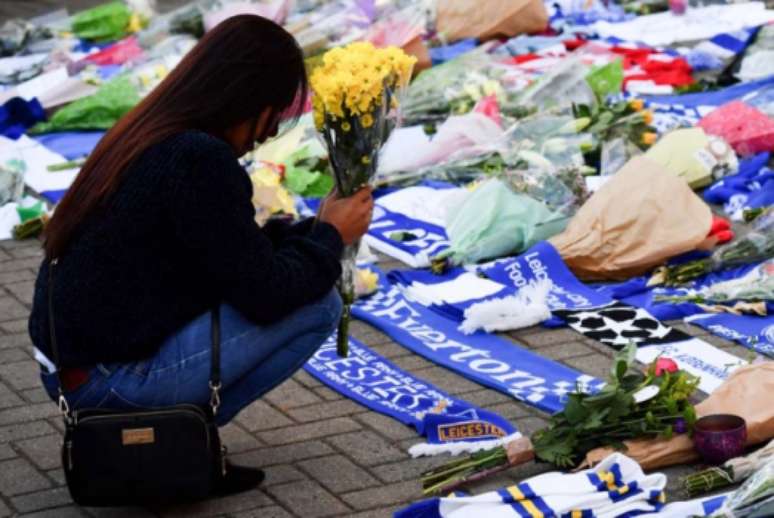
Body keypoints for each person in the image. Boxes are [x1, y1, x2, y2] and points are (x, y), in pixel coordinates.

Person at [28, 15, 373, 495]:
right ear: (248, 98)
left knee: (301, 279)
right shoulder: (197, 159)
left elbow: (227, 254)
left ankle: (181, 440)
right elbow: (266, 294)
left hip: (73, 367)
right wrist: (331, 238)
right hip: (104, 384)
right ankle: (177, 443)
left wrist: (311, 232)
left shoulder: (150, 131)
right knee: (319, 306)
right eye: (274, 113)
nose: (269, 132)